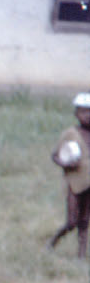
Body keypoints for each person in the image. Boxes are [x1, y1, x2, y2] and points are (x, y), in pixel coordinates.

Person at [49, 93, 90, 259]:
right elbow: (55, 155)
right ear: (76, 114)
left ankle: (81, 255)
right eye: (83, 112)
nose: (87, 116)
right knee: (72, 222)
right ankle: (53, 241)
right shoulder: (70, 134)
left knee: (85, 221)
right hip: (75, 182)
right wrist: (65, 164)